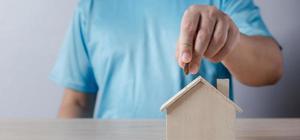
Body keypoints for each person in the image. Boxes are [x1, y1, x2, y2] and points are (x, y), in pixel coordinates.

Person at [50, 0, 283, 119]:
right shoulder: (92, 5)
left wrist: (228, 40)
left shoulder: (221, 2)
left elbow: (271, 69)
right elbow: (76, 101)